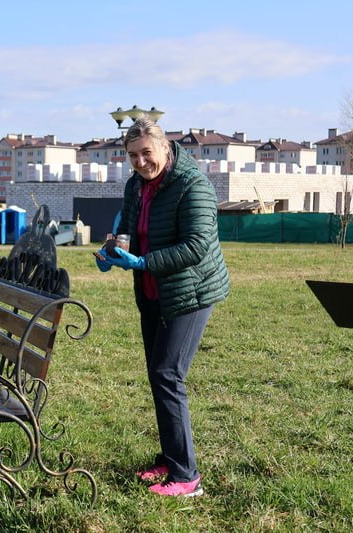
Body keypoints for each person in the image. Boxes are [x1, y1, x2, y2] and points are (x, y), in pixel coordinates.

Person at [94, 117, 230, 498]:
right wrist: (112, 250)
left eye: (146, 154)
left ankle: (187, 477)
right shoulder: (136, 185)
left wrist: (142, 263)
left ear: (165, 149)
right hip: (153, 291)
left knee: (168, 374)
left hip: (191, 292)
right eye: (132, 156)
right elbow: (131, 232)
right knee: (159, 375)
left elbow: (196, 246)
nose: (140, 162)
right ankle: (170, 460)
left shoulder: (193, 186)